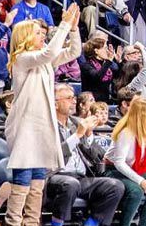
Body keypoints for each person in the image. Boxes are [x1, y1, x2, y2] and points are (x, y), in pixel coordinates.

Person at [3, 4, 81, 226]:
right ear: (26, 36)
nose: (43, 36)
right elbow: (48, 53)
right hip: (25, 127)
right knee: (23, 182)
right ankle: (13, 222)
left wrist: (73, 29)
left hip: (40, 128)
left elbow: (73, 52)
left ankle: (31, 222)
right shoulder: (22, 58)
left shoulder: (45, 61)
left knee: (38, 184)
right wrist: (64, 24)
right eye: (38, 33)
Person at [46, 83, 124, 226]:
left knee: (115, 186)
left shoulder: (77, 122)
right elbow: (53, 155)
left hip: (81, 177)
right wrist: (78, 134)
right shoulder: (46, 125)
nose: (74, 101)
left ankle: (90, 224)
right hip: (55, 176)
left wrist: (88, 135)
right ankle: (56, 224)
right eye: (69, 98)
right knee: (70, 184)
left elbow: (97, 156)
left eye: (74, 97)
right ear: (55, 104)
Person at [103, 98, 146, 226]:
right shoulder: (127, 132)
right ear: (143, 115)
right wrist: (141, 181)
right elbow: (119, 163)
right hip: (113, 170)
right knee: (136, 191)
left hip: (134, 168)